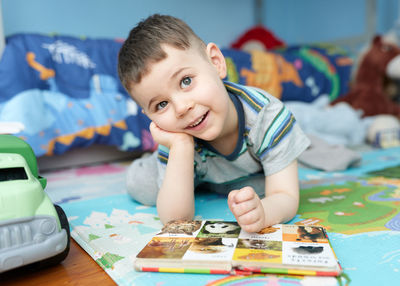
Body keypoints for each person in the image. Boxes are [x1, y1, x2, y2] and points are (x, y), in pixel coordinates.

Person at [118, 14, 310, 233]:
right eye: (161, 105)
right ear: (149, 115)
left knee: (260, 190)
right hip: (194, 168)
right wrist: (181, 147)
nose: (181, 108)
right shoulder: (176, 134)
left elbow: (285, 196)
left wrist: (263, 212)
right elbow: (175, 219)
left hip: (243, 171)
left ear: (216, 63)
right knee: (143, 188)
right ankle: (163, 168)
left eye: (186, 81)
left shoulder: (268, 117)